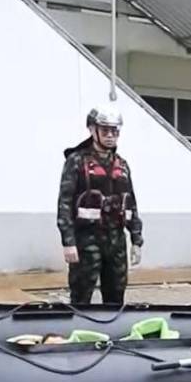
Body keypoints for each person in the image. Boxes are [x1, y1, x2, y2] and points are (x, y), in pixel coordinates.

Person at [57, 104, 143, 306]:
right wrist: (68, 242)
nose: (110, 136)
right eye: (105, 130)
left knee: (116, 297)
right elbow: (65, 203)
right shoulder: (76, 161)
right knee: (81, 296)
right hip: (87, 240)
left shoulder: (122, 165)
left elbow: (131, 203)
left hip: (116, 240)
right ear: (92, 130)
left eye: (115, 131)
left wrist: (136, 239)